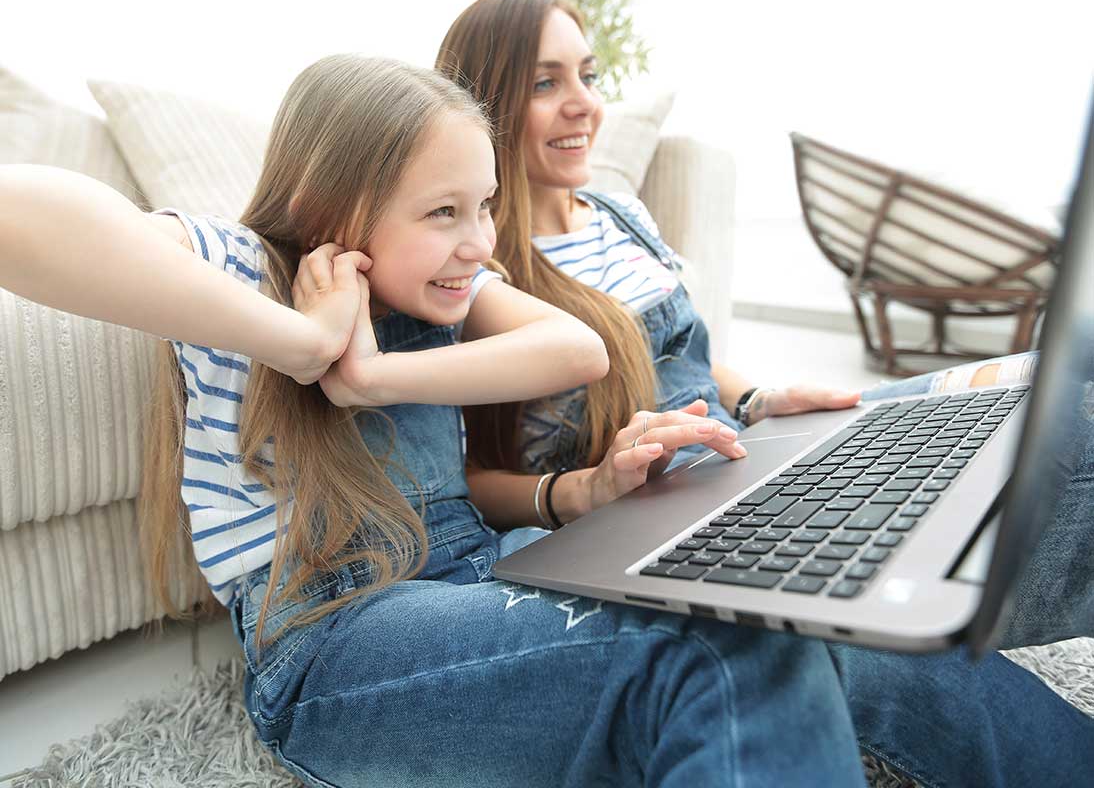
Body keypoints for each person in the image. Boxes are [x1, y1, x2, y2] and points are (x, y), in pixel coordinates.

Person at [0, 56, 887, 786]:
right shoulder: (241, 272)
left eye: (486, 205)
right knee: (717, 653)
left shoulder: (444, 298)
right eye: (444, 212)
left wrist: (373, 374)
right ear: (327, 209)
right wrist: (303, 341)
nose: (482, 241)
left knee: (789, 611)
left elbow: (578, 348)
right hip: (334, 642)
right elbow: (18, 214)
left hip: (485, 572)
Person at [435, 0, 1094, 786]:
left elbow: (685, 351)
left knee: (1030, 399)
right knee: (852, 620)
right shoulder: (472, 271)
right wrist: (578, 492)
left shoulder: (616, 211)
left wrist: (756, 399)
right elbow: (464, 482)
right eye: (546, 84)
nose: (585, 106)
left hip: (741, 444)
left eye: (588, 74)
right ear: (488, 104)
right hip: (649, 508)